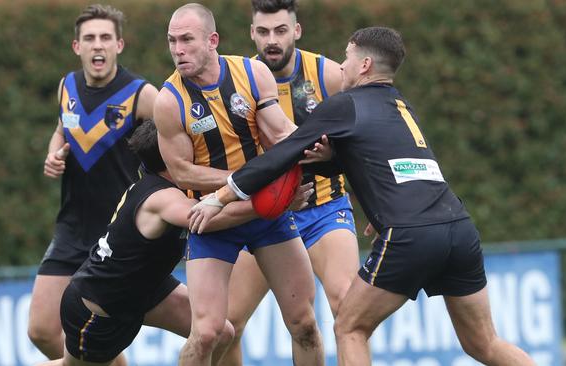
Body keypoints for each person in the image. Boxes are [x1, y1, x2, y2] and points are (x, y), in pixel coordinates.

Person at [190, 27, 537, 366]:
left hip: (410, 235)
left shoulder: (345, 104)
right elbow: (389, 163)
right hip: (459, 229)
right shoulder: (401, 105)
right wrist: (338, 165)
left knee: (349, 327)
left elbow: (284, 153)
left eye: (347, 57)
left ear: (365, 65)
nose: (341, 66)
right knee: (484, 343)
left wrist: (222, 195)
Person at [153, 3, 324, 366]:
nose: (178, 50)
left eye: (187, 40)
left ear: (212, 40)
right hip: (214, 221)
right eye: (172, 41)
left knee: (305, 323)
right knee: (208, 332)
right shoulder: (168, 101)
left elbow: (280, 134)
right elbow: (183, 173)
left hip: (269, 218)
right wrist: (249, 183)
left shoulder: (252, 72)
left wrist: (325, 150)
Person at [37, 120, 260, 366]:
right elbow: (208, 217)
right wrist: (267, 205)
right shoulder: (163, 198)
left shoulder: (170, 185)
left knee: (219, 333)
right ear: (170, 152)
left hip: (147, 290)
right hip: (100, 308)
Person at [219, 1, 359, 365]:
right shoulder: (238, 80)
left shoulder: (327, 74)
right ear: (252, 33)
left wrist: (376, 202)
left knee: (346, 307)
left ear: (296, 31)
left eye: (281, 31)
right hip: (267, 218)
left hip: (325, 210)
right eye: (263, 32)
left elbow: (364, 143)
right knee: (226, 325)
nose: (272, 41)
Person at [28, 4, 159, 362]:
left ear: (119, 44)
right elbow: (61, 131)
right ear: (77, 47)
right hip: (71, 228)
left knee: (210, 326)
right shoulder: (66, 86)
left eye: (105, 37)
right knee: (40, 329)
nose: (97, 45)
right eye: (89, 38)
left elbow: (175, 140)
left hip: (116, 234)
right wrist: (54, 153)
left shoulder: (140, 94)